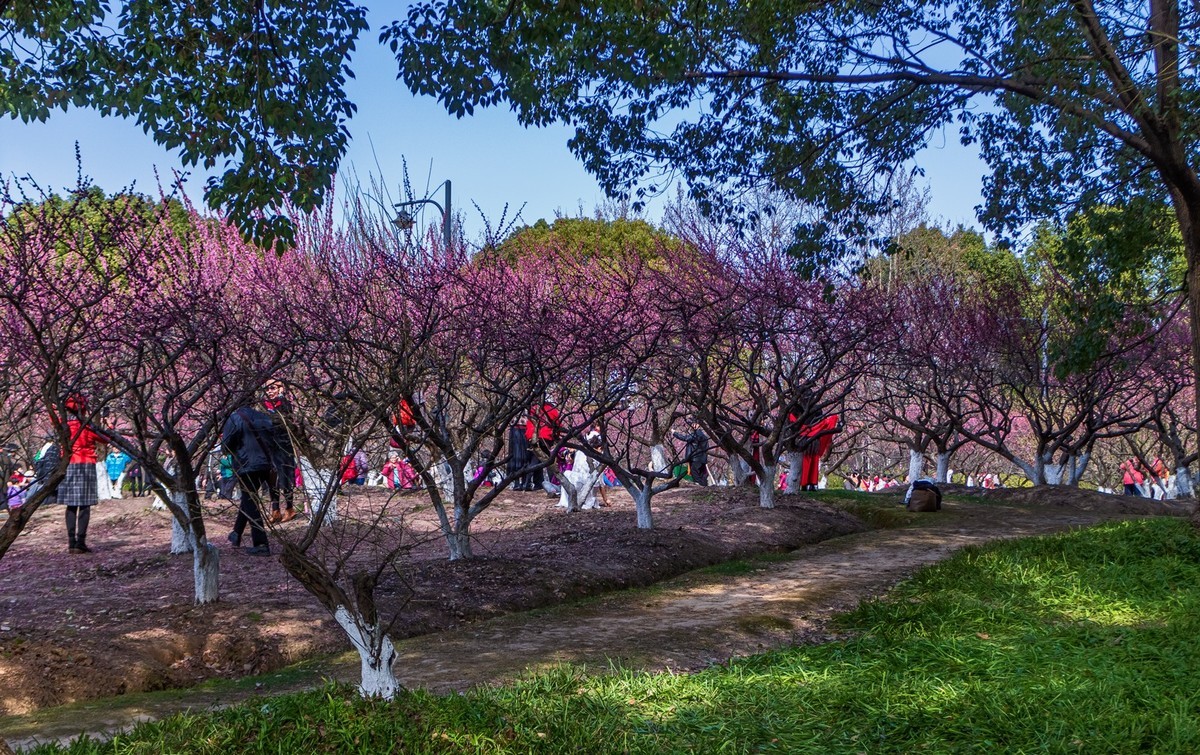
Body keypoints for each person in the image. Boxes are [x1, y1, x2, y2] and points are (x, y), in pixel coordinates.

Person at [222, 405, 276, 556]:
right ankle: (236, 533)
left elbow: (226, 445)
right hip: (266, 463)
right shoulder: (264, 417)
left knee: (250, 501)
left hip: (246, 464)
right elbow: (273, 439)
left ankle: (261, 544)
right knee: (248, 499)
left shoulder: (235, 418)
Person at [57, 395, 106, 554]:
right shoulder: (87, 426)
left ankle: (71, 542)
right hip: (86, 464)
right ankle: (81, 542)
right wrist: (109, 425)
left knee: (70, 505)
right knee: (85, 505)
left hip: (68, 464)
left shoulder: (63, 425)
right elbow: (105, 439)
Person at [262, 379, 299, 523]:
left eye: (272, 388)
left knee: (285, 478)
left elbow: (285, 421)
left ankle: (289, 508)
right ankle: (275, 510)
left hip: (284, 446)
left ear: (280, 389)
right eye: (267, 389)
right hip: (270, 447)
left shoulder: (284, 404)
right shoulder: (263, 406)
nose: (269, 391)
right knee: (272, 479)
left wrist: (282, 397)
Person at [796, 413, 842, 492]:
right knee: (813, 463)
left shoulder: (801, 415)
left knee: (806, 463)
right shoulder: (818, 418)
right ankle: (811, 485)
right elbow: (826, 423)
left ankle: (804, 485)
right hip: (814, 442)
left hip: (805, 441)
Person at [673, 420, 709, 486]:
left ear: (698, 425)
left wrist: (675, 433)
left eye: (693, 424)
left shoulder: (697, 434)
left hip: (696, 458)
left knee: (694, 472)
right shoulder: (702, 435)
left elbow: (686, 438)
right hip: (702, 458)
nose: (692, 426)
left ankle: (701, 486)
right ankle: (704, 486)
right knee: (701, 473)